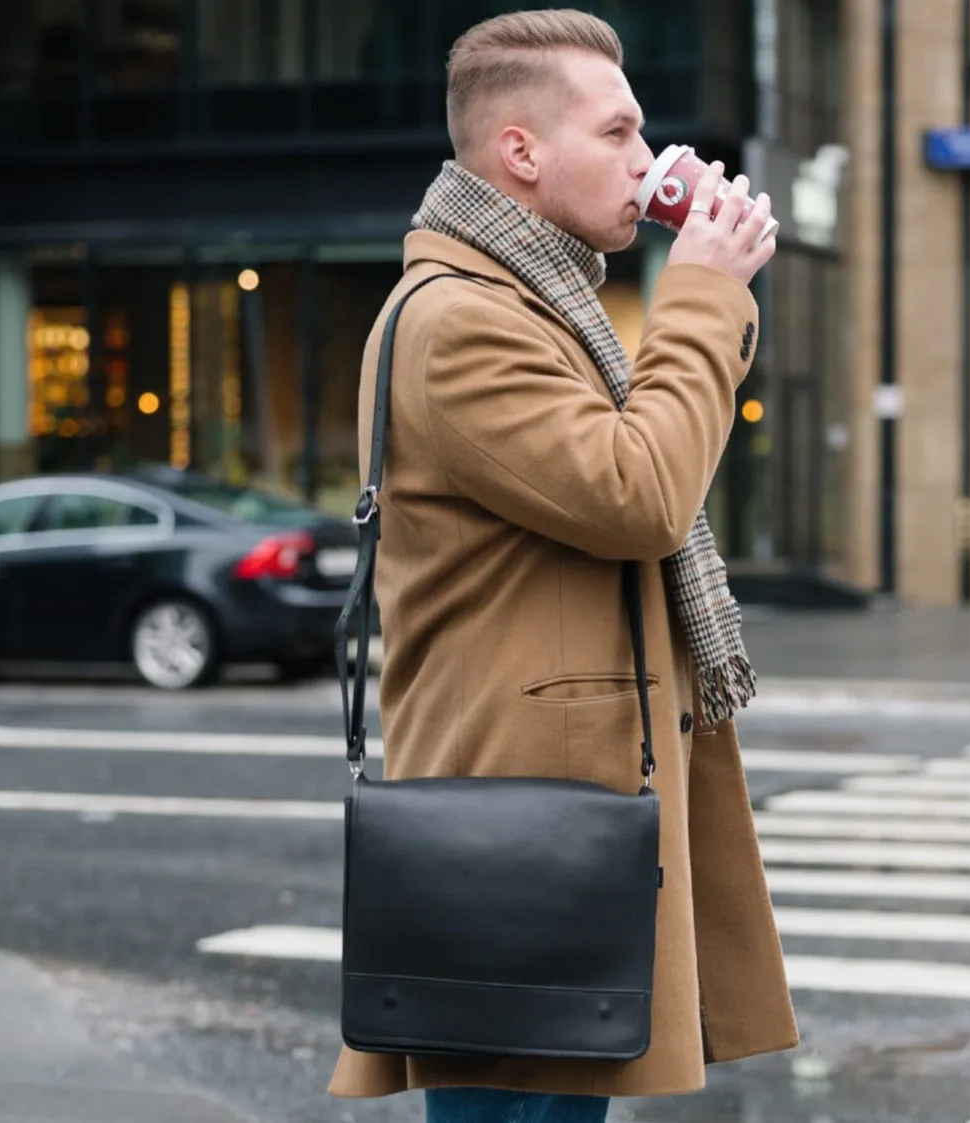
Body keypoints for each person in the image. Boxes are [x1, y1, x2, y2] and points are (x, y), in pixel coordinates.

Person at [328, 9, 798, 1122]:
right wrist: (705, 293)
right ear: (521, 154)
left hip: (564, 808)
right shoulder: (459, 322)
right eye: (619, 131)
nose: (648, 159)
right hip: (522, 828)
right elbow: (637, 493)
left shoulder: (538, 305)